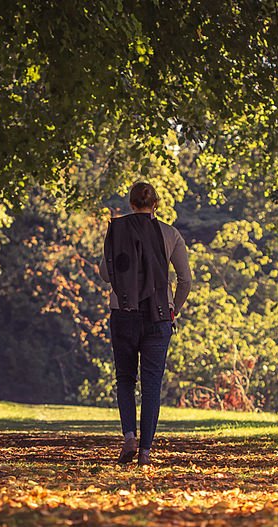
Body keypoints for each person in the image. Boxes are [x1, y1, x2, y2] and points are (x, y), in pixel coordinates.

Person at [98, 182, 192, 465]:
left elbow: (105, 274)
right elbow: (185, 280)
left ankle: (129, 436)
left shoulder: (117, 230)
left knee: (125, 379)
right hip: (159, 316)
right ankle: (146, 453)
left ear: (131, 204)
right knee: (151, 385)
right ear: (157, 204)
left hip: (123, 313)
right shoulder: (170, 233)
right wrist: (174, 307)